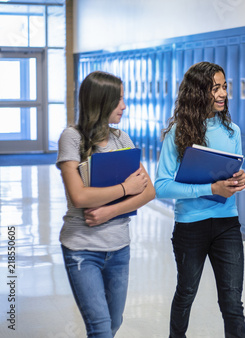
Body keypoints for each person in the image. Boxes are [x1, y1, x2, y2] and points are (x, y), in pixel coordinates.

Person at [56, 70, 155, 337]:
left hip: (119, 248)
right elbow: (79, 196)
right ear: (101, 101)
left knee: (113, 324)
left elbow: (148, 192)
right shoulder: (72, 138)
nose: (124, 106)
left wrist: (109, 210)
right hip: (82, 249)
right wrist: (125, 189)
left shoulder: (122, 139)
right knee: (100, 329)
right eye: (118, 99)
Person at [154, 61, 245, 338]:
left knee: (232, 302)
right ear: (198, 92)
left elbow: (235, 172)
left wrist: (238, 181)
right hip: (190, 225)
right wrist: (209, 188)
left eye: (224, 87)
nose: (222, 94)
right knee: (186, 292)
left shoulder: (233, 131)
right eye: (214, 88)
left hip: (227, 223)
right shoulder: (178, 133)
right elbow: (161, 186)